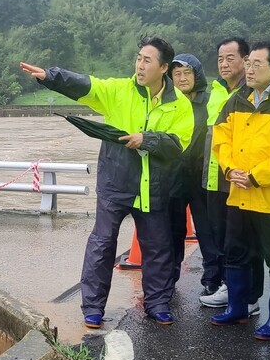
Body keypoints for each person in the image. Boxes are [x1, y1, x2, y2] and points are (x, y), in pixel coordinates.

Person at [20, 36, 194, 328]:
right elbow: (87, 85)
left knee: (158, 247)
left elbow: (180, 143)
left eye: (147, 60)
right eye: (138, 58)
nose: (139, 65)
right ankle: (92, 308)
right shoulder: (119, 91)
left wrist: (146, 140)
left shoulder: (180, 106)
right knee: (102, 244)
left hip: (154, 187)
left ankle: (158, 304)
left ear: (164, 67)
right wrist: (51, 77)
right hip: (116, 181)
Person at [209, 41, 270, 339]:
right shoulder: (238, 97)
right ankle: (238, 308)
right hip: (239, 195)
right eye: (248, 63)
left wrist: (256, 176)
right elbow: (220, 136)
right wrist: (229, 168)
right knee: (236, 254)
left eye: (257, 64)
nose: (249, 69)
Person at [199, 37, 261, 316]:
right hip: (215, 175)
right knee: (221, 234)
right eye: (220, 58)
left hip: (237, 177)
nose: (224, 64)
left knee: (245, 238)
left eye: (230, 58)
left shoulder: (252, 93)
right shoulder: (217, 91)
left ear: (246, 60)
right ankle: (229, 286)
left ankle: (250, 296)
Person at [167, 54, 212, 296]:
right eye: (177, 74)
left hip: (201, 176)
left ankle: (212, 279)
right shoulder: (168, 103)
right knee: (173, 230)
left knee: (207, 229)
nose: (182, 78)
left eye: (187, 73)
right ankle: (169, 279)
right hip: (173, 175)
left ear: (197, 75)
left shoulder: (210, 102)